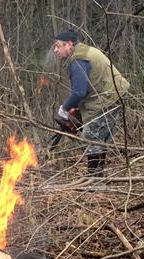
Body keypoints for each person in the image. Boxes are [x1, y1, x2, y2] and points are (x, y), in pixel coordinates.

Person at [51, 28, 130, 176]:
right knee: (99, 137)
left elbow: (79, 92)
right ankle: (97, 176)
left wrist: (64, 108)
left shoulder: (78, 60)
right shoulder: (82, 52)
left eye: (58, 46)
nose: (55, 50)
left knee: (91, 136)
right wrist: (75, 109)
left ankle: (94, 178)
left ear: (69, 44)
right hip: (111, 94)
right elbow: (86, 89)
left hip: (109, 96)